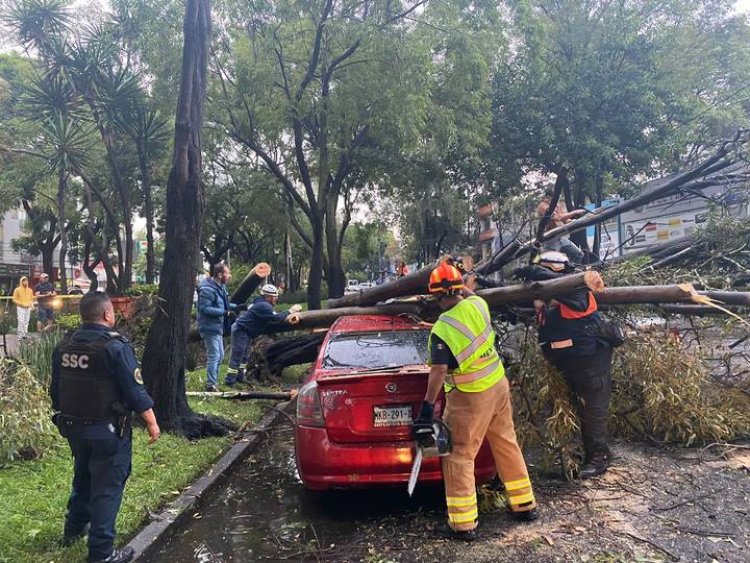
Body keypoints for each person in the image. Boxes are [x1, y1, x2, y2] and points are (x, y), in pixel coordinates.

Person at [412, 262, 538, 541]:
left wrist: (426, 407)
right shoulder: (479, 304)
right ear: (460, 288)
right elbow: (467, 300)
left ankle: (462, 523)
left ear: (435, 296)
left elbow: (438, 371)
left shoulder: (443, 330)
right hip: (498, 386)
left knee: (459, 455)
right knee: (506, 442)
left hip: (470, 397)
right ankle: (524, 503)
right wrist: (462, 283)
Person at [50, 292, 160, 563]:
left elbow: (56, 391)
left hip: (74, 429)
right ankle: (102, 553)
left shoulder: (64, 346)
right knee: (107, 488)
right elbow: (134, 391)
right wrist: (152, 422)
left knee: (83, 478)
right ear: (107, 314)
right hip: (108, 432)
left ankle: (73, 531)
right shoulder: (115, 347)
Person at [517, 251, 614, 478]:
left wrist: (535, 270)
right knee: (573, 406)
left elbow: (569, 297)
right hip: (566, 362)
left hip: (590, 359)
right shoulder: (547, 296)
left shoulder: (578, 290)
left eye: (545, 274)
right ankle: (584, 451)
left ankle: (599, 457)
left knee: (593, 408)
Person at [225, 284, 301, 386]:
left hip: (246, 331)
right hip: (241, 330)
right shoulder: (264, 306)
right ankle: (229, 381)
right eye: (274, 297)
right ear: (268, 296)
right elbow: (276, 318)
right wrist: (290, 311)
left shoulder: (260, 303)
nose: (276, 299)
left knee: (244, 356)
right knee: (237, 355)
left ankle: (239, 377)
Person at [196, 264, 236, 392]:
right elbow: (205, 309)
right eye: (227, 273)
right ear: (220, 275)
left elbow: (224, 304)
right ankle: (210, 385)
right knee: (214, 355)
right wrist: (224, 313)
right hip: (209, 327)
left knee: (220, 355)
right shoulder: (207, 289)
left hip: (217, 327)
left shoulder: (220, 287)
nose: (229, 276)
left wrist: (237, 307)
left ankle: (214, 382)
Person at [536, 187, 586, 263]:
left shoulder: (557, 205)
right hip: (550, 240)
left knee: (578, 255)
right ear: (547, 197)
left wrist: (575, 221)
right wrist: (575, 212)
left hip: (560, 237)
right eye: (554, 199)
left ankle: (574, 272)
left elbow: (564, 220)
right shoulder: (543, 207)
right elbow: (558, 218)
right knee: (553, 263)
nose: (556, 201)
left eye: (557, 199)